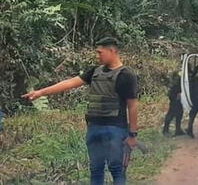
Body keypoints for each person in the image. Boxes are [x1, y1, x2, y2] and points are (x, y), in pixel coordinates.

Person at [22, 37, 138, 185]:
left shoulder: (127, 75)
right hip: (94, 129)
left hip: (115, 129)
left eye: (100, 52)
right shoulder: (95, 72)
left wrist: (133, 134)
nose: (97, 56)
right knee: (95, 170)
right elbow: (69, 83)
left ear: (112, 51)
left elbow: (133, 105)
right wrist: (40, 93)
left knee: (116, 170)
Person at [162, 71, 185, 137]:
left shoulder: (179, 74)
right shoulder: (179, 75)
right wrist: (178, 93)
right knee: (171, 113)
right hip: (174, 96)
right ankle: (165, 130)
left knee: (180, 112)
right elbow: (174, 86)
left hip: (175, 95)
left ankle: (178, 130)